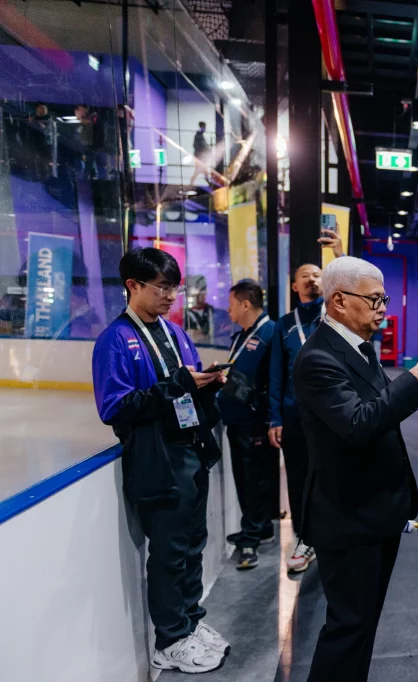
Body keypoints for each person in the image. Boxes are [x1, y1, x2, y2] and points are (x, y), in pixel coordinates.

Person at [293, 256, 418, 682]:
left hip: (375, 510)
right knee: (349, 627)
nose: (382, 309)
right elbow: (359, 424)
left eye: (384, 300)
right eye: (374, 300)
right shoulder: (318, 358)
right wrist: (415, 377)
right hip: (348, 514)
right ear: (339, 301)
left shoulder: (357, 344)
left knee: (362, 625)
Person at [91, 248, 230, 674]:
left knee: (193, 544)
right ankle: (169, 640)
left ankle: (190, 623)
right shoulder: (115, 340)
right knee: (170, 552)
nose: (171, 296)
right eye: (162, 287)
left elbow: (184, 385)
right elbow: (115, 408)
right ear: (133, 285)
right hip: (157, 458)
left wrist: (207, 383)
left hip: (190, 450)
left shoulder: (174, 333)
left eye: (175, 288)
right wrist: (176, 385)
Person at [268, 263, 323, 573]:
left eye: (317, 275)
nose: (312, 280)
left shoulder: (334, 316)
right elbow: (275, 373)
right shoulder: (285, 324)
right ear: (294, 286)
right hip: (294, 414)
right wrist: (275, 418)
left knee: (332, 474)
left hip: (332, 413)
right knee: (298, 477)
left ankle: (333, 534)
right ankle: (305, 538)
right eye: (305, 276)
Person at [220, 279, 277, 569]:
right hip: (238, 418)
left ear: (245, 304)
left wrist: (273, 418)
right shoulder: (241, 336)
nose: (227, 309)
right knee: (245, 478)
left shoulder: (271, 332)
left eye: (231, 303)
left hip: (255, 421)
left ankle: (250, 540)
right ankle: (260, 528)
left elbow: (277, 381)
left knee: (254, 480)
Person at [185, 275, 216, 345]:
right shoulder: (184, 314)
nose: (202, 296)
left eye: (203, 293)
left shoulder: (212, 311)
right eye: (199, 294)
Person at [190, 121, 211, 185]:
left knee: (203, 171)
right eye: (204, 127)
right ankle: (192, 182)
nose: (205, 129)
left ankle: (209, 183)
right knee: (200, 170)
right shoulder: (198, 136)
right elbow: (197, 146)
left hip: (200, 157)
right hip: (200, 157)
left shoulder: (200, 136)